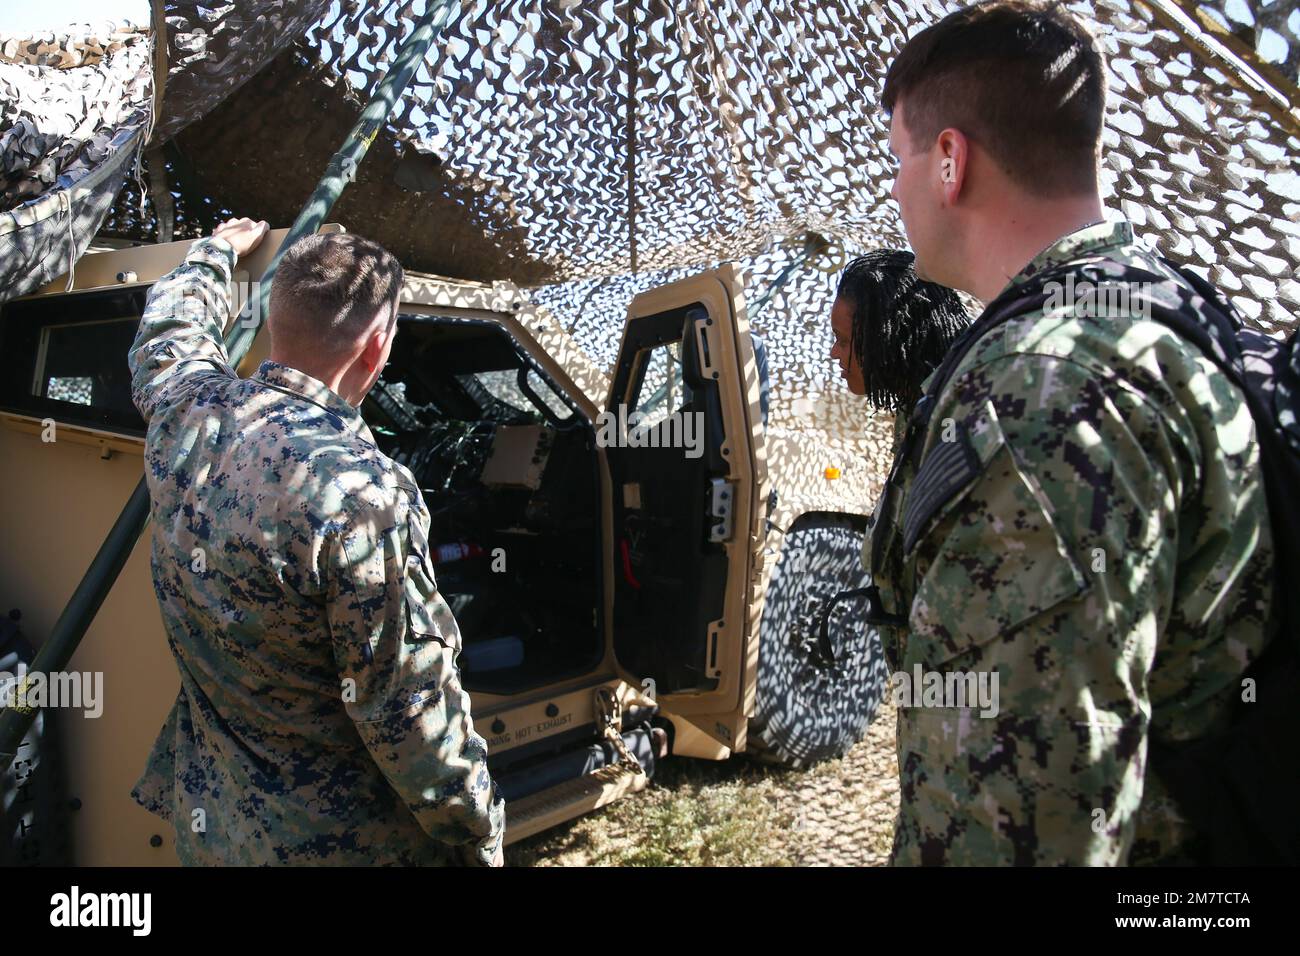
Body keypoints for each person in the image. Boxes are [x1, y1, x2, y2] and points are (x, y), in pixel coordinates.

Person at [871, 0, 1274, 865]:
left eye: (897, 159)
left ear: (950, 161)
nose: (894, 191)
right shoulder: (1163, 313)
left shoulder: (1040, 393)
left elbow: (1026, 822)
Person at [127, 218, 505, 866]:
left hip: (215, 828)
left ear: (275, 318)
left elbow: (169, 329)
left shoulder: (185, 412)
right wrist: (478, 831)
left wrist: (216, 254)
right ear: (377, 349)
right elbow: (408, 712)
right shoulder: (366, 494)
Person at [829, 250, 969, 673]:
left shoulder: (959, 414)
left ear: (887, 337)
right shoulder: (917, 410)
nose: (835, 354)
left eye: (845, 339)